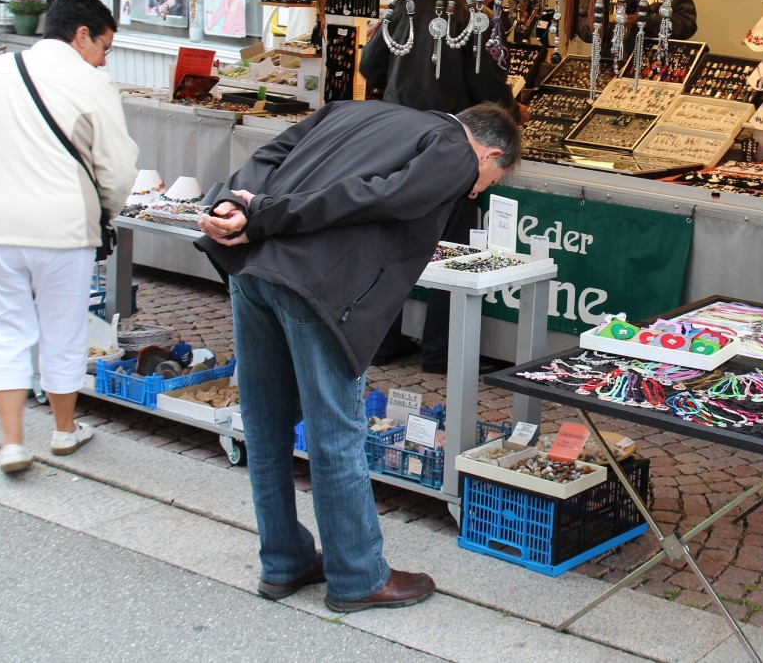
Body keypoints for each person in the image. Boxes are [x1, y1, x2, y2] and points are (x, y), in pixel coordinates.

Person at [195, 100, 520, 613]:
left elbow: (268, 156)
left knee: (264, 426)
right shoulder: (456, 151)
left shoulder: (351, 110)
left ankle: (283, 562)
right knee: (336, 434)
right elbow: (374, 198)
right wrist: (261, 214)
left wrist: (235, 206)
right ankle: (357, 575)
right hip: (316, 287)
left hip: (253, 273)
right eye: (485, 183)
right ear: (488, 155)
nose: (473, 192)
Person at [0, 0, 139, 474]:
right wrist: (104, 210)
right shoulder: (94, 85)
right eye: (104, 46)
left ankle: (11, 442)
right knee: (63, 330)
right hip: (63, 228)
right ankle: (64, 430)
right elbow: (116, 167)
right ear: (82, 35)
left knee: (4, 331)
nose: (104, 58)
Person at [359, 0, 519, 374]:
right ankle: (440, 353)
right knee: (452, 250)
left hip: (395, 137)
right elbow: (488, 91)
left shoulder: (407, 6)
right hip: (452, 143)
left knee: (391, 243)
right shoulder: (477, 22)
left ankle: (380, 343)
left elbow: (370, 66)